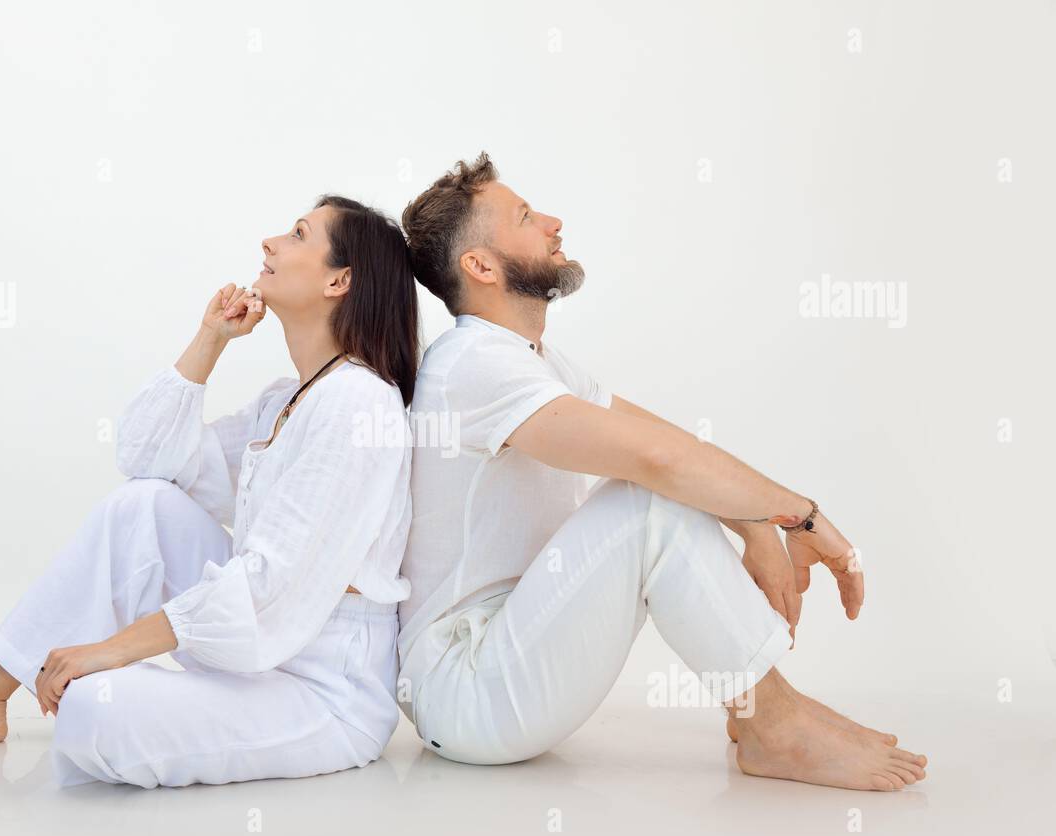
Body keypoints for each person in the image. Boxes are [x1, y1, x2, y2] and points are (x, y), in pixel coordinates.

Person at [0, 195, 420, 790]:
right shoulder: (287, 398)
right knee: (142, 508)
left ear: (340, 280)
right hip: (264, 647)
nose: (270, 243)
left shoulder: (357, 405)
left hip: (322, 693)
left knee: (96, 708)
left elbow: (269, 588)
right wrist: (211, 339)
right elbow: (149, 461)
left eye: (298, 234)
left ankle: (113, 696)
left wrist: (108, 651)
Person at [395, 152, 928, 791]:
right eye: (527, 216)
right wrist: (802, 516)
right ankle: (773, 724)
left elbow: (661, 442)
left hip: (510, 647)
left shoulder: (535, 361)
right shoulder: (473, 363)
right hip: (465, 689)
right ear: (479, 266)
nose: (554, 222)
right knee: (649, 500)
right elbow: (657, 464)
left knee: (658, 490)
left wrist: (757, 524)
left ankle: (763, 711)